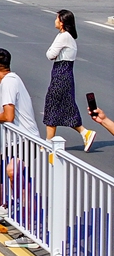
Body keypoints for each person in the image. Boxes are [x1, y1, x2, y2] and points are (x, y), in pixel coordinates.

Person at [42, 9, 95, 150]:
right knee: (66, 106)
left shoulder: (64, 36)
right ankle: (85, 133)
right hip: (64, 73)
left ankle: (48, 143)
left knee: (52, 104)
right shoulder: (64, 36)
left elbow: (50, 54)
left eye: (56, 18)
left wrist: (51, 51)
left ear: (62, 22)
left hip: (61, 74)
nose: (55, 21)